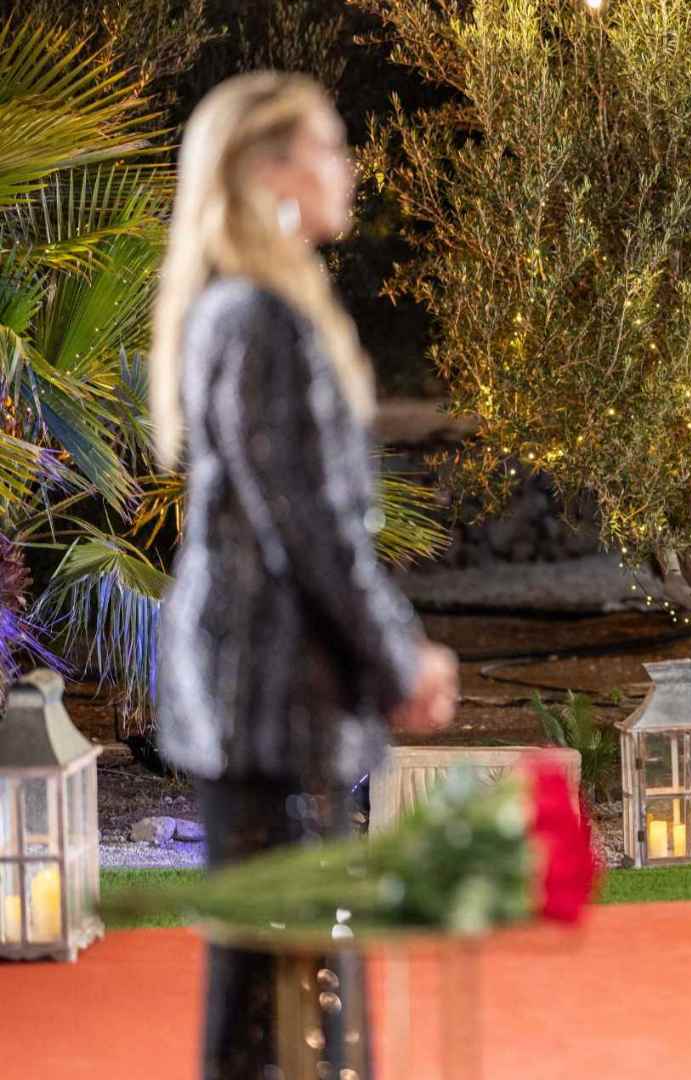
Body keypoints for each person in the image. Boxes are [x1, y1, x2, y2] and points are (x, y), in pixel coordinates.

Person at [148, 72, 459, 1077]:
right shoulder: (260, 320)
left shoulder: (248, 311)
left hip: (263, 699)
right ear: (270, 172)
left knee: (274, 989)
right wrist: (401, 659)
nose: (348, 167)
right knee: (294, 1002)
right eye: (328, 145)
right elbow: (310, 528)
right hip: (273, 703)